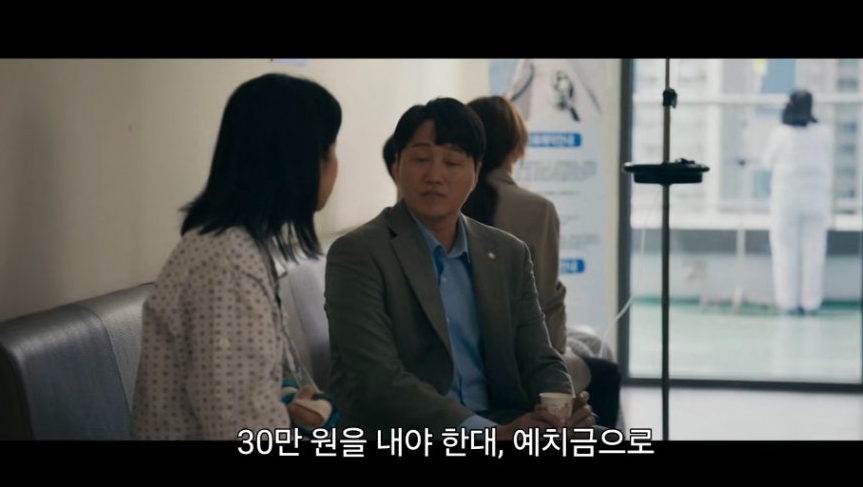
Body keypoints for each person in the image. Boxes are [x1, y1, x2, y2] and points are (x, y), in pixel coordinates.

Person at [324, 97, 597, 439]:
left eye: (452, 162)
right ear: (397, 168)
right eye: (420, 159)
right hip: (408, 432)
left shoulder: (508, 253)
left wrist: (562, 412)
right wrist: (487, 434)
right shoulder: (359, 253)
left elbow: (539, 358)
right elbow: (379, 380)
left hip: (505, 421)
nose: (434, 176)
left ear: (475, 174)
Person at [132, 73, 343, 440]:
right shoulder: (228, 268)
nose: (336, 163)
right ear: (298, 161)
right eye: (331, 148)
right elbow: (241, 432)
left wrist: (287, 406)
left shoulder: (239, 248)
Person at [462, 95, 621, 428]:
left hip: (469, 356)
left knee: (592, 344)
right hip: (520, 363)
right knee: (602, 364)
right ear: (517, 147)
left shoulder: (452, 206)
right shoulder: (535, 208)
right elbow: (545, 305)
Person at [760, 89, 834, 316]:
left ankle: (787, 302)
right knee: (814, 251)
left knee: (785, 250)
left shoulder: (780, 134)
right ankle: (811, 302)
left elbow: (767, 162)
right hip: (816, 199)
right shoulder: (824, 133)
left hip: (786, 200)